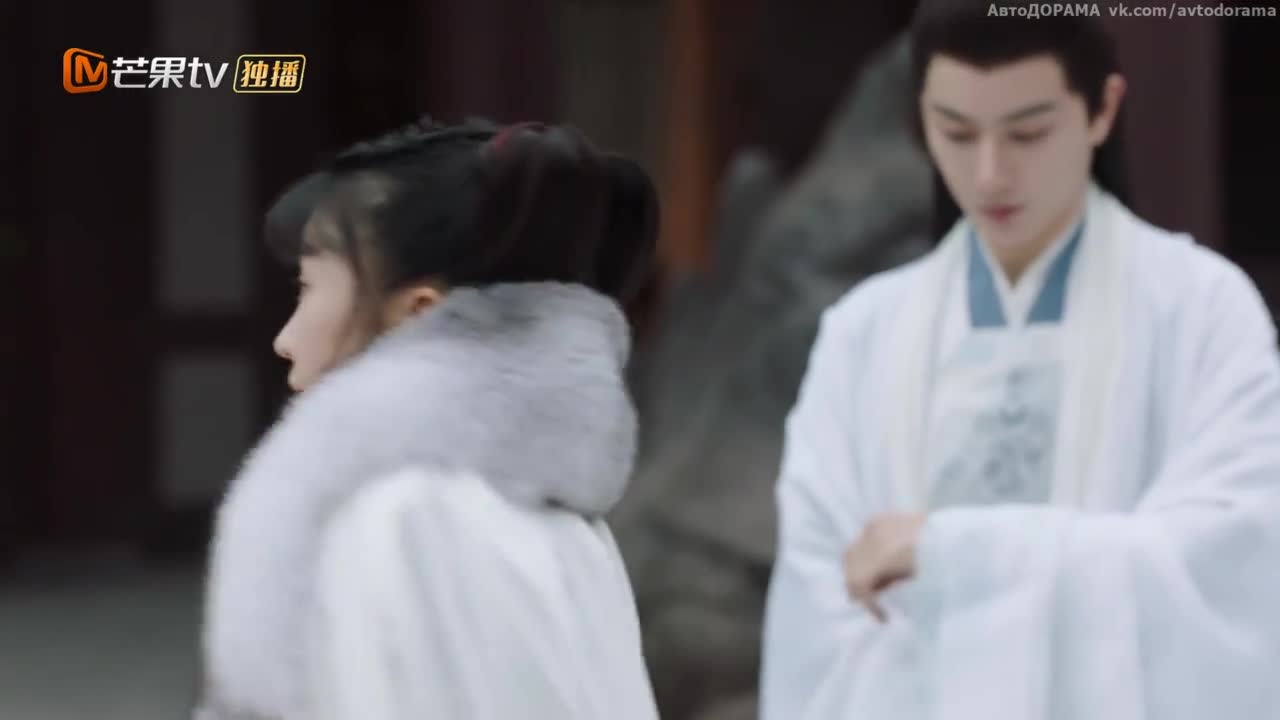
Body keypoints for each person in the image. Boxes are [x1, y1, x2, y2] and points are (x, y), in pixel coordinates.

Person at [759, 2, 1280, 719]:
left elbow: (1231, 562)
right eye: (956, 132)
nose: (989, 174)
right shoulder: (863, 334)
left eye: (1028, 133)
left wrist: (953, 553)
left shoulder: (1203, 311)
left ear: (1102, 109)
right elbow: (820, 607)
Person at [193, 116, 662, 720]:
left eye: (308, 288)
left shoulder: (401, 515)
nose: (286, 339)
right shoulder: (565, 518)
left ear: (417, 314)